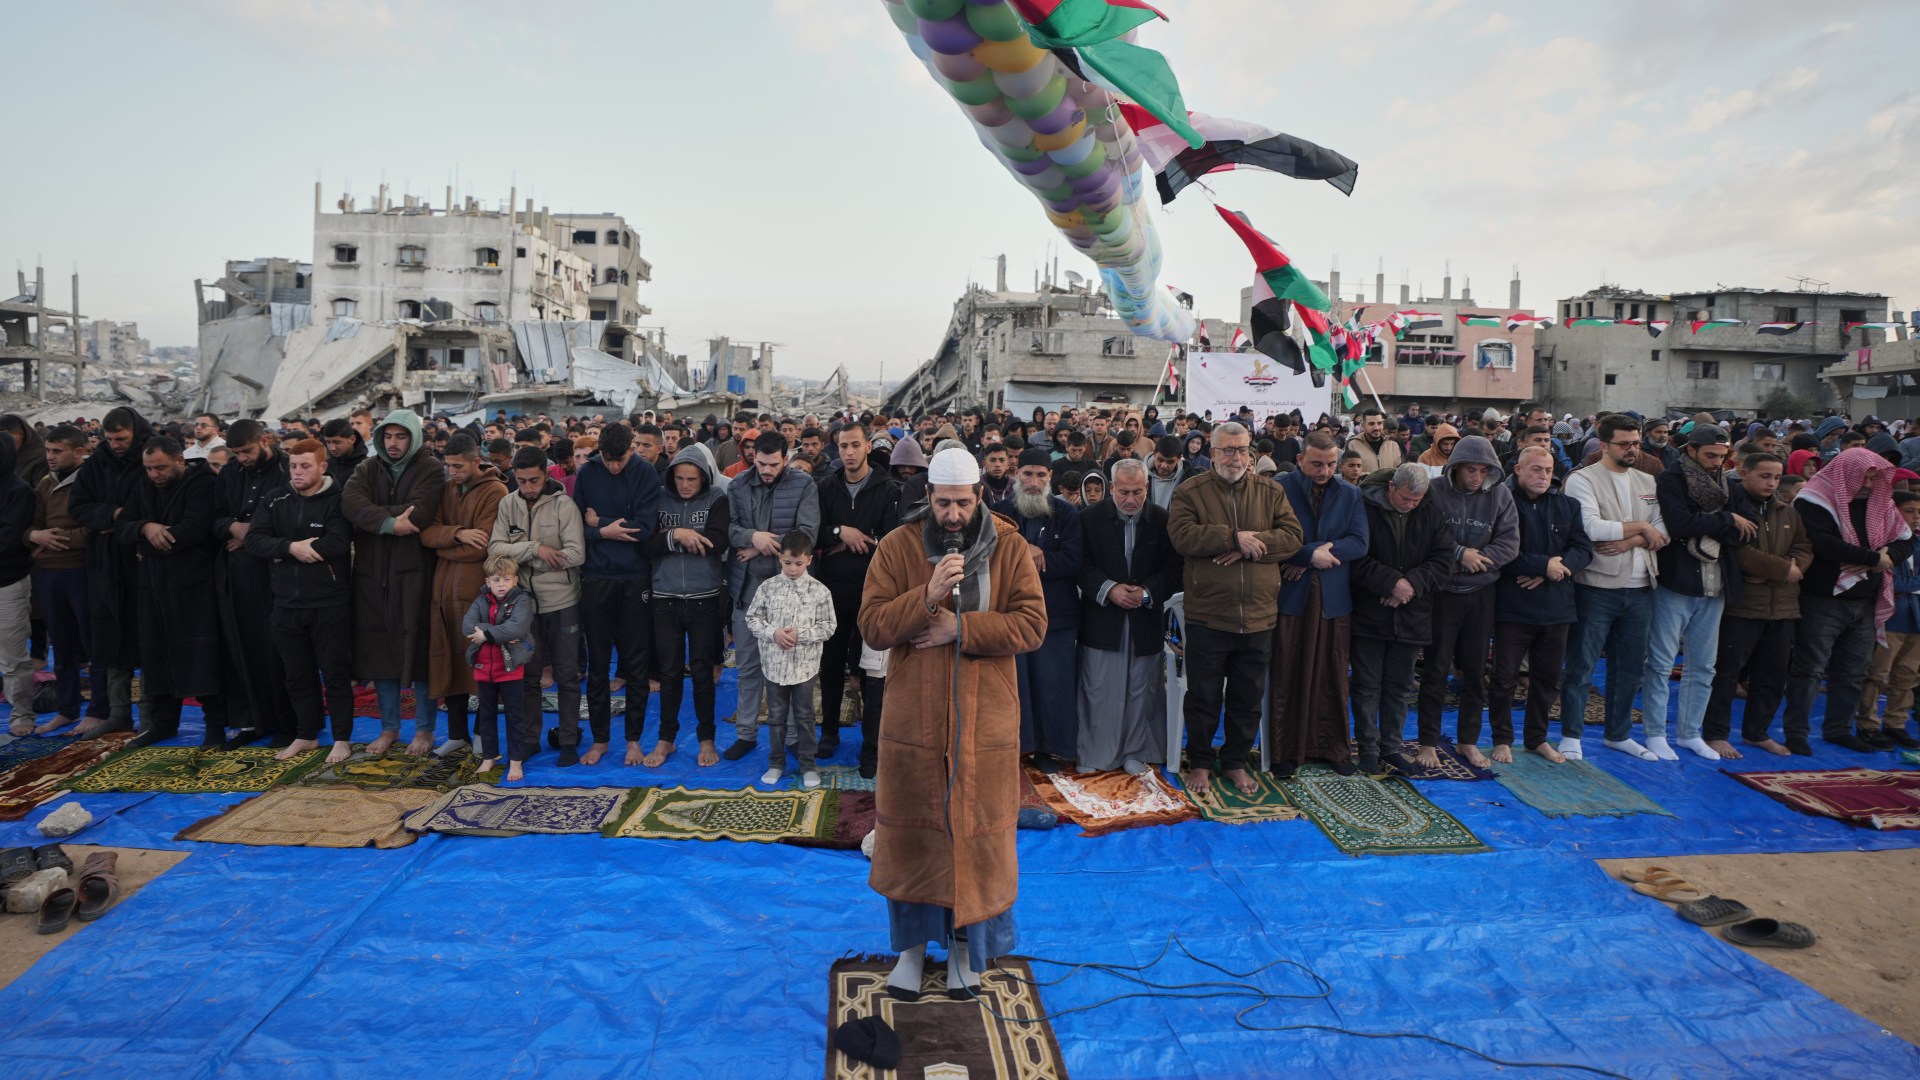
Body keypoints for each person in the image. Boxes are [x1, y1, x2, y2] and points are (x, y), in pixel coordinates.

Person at [858, 447, 1046, 1002]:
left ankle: (967, 950)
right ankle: (912, 952)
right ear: (928, 497)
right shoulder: (897, 546)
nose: (953, 515)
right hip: (913, 722)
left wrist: (960, 628)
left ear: (979, 496)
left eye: (963, 503)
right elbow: (872, 626)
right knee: (913, 836)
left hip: (985, 723)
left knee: (976, 837)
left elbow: (1032, 625)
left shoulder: (1009, 547)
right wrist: (928, 597)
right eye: (943, 504)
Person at [1167, 422, 1303, 798]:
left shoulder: (1270, 491)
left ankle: (1235, 762)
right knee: (1204, 696)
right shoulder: (1190, 491)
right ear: (1212, 454)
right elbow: (1181, 536)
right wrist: (1229, 537)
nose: (1236, 457)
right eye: (1228, 450)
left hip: (1258, 616)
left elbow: (1293, 538)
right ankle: (1199, 761)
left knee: (1247, 697)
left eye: (1242, 450)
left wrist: (1247, 545)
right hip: (1209, 615)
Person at [1782, 447, 1914, 754]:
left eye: (1874, 478)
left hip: (1865, 600)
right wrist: (1873, 559)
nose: (1868, 485)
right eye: (1864, 478)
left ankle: (1839, 729)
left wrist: (1885, 557)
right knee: (1810, 670)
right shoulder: (1814, 500)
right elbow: (1823, 543)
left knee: (1853, 672)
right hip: (1823, 598)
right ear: (1846, 474)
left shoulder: (1879, 502)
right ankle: (1796, 732)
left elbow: (1905, 539)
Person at [1641, 425, 1755, 761]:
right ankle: (1655, 733)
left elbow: (1746, 530)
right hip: (1677, 582)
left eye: (1722, 456)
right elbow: (1679, 524)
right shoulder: (1671, 479)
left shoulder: (1728, 484)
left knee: (1704, 666)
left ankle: (1689, 733)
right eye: (1710, 455)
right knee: (1661, 663)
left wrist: (1719, 522)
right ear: (1691, 450)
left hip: (1715, 585)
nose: (1716, 462)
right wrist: (1727, 518)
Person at [1560, 415, 1670, 760]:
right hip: (1596, 586)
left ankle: (1618, 734)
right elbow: (1591, 527)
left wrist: (1631, 538)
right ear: (1604, 445)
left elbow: (1663, 530)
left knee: (1631, 668)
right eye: (1624, 444)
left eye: (1636, 443)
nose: (1632, 449)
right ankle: (1571, 735)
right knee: (1582, 665)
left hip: (1642, 588)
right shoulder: (1582, 479)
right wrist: (1643, 529)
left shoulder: (1648, 481)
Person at [244, 439, 356, 762]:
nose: (297, 472)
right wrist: (290, 548)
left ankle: (342, 738)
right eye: (293, 466)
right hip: (286, 604)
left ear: (322, 467)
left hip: (328, 602)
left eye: (305, 466)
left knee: (334, 673)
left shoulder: (338, 499)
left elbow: (336, 543)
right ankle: (306, 734)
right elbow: (254, 540)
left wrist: (288, 549)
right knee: (296, 674)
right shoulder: (275, 498)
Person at [341, 409, 445, 755]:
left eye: (400, 436)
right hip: (372, 575)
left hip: (415, 576)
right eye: (388, 436)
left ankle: (425, 730)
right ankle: (389, 728)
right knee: (379, 653)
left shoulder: (429, 467)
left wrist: (374, 515)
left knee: (419, 654)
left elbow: (421, 511)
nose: (393, 443)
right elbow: (351, 503)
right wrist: (389, 522)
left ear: (413, 437)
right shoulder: (367, 468)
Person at [117, 437, 230, 747]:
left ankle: (215, 727)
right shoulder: (144, 486)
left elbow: (193, 530)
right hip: (154, 588)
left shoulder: (203, 483)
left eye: (161, 468)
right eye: (149, 469)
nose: (154, 475)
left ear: (180, 461)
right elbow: (124, 526)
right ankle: (163, 723)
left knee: (202, 658)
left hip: (194, 587)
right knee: (157, 658)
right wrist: (145, 528)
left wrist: (145, 546)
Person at [1269, 432, 1369, 776]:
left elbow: (1359, 543)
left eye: (1330, 464)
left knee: (1332, 675)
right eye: (1316, 464)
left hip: (1333, 599)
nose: (1324, 471)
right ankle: (1284, 752)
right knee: (1287, 674)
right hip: (1291, 597)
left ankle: (1333, 748)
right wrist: (1307, 554)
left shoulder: (1351, 494)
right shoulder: (1279, 489)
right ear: (1300, 460)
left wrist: (1314, 554)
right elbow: (1271, 538)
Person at [1417, 435, 1517, 768]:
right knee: (1435, 669)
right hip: (1441, 592)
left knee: (1474, 672)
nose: (1476, 477)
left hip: (1480, 592)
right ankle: (1428, 742)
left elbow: (1509, 543)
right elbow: (1424, 534)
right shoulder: (1434, 491)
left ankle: (1467, 741)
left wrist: (1478, 560)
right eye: (1470, 470)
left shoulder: (1500, 495)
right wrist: (1460, 555)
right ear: (1456, 468)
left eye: (1483, 470)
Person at [1488, 446, 1592, 764]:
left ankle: (1537, 739)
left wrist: (1551, 571)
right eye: (1535, 469)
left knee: (1546, 680)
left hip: (1556, 607)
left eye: (1548, 470)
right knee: (1504, 678)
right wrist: (1542, 565)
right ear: (1518, 470)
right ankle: (1502, 739)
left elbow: (1583, 549)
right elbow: (1499, 552)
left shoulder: (1567, 505)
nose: (1543, 476)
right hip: (1513, 607)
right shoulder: (1503, 503)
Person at [1075, 459, 1181, 774]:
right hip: (1102, 618)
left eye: (1137, 492)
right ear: (1111, 488)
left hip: (1144, 618)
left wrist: (1146, 593)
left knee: (1141, 688)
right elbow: (1079, 564)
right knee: (1098, 689)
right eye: (1124, 492)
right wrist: (1109, 589)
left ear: (1146, 488)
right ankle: (1094, 754)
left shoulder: (1162, 520)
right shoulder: (1088, 519)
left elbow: (1174, 570)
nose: (1131, 499)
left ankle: (1136, 751)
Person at [1350, 464, 1456, 774]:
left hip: (1412, 613)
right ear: (1391, 487)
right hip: (1369, 612)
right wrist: (1389, 582)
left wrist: (1408, 584)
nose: (1411, 505)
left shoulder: (1430, 511)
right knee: (1367, 685)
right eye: (1406, 498)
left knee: (1399, 687)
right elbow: (1354, 556)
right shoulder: (1363, 507)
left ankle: (1392, 748)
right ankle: (1368, 749)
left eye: (1416, 500)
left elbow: (1443, 560)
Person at [1702, 452, 1808, 759]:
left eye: (1776, 477)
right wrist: (1783, 570)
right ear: (1743, 473)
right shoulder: (1732, 509)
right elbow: (1738, 552)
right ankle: (1716, 733)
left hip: (1783, 607)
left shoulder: (1787, 513)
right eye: (1764, 476)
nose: (1771, 483)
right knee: (1727, 673)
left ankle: (1757, 733)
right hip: (1744, 605)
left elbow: (1804, 547)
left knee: (1772, 675)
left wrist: (1789, 570)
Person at [721, 431, 820, 761]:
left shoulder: (804, 485)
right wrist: (752, 537)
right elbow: (728, 528)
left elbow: (806, 535)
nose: (765, 469)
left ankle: (791, 736)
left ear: (785, 458)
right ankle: (745, 734)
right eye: (760, 463)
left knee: (789, 669)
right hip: (748, 589)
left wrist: (761, 545)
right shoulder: (737, 485)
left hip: (789, 590)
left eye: (773, 464)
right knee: (748, 667)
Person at [575, 421, 664, 767]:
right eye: (608, 459)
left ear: (632, 449)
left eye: (620, 459)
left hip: (634, 577)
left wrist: (600, 523)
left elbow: (644, 528)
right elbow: (576, 526)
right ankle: (599, 740)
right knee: (598, 663)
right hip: (597, 575)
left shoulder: (644, 472)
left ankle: (633, 740)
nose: (613, 466)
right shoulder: (588, 473)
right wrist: (601, 531)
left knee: (636, 662)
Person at [812, 422, 899, 762]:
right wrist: (840, 532)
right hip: (832, 591)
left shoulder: (887, 489)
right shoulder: (826, 488)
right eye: (843, 446)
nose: (849, 452)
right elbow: (815, 533)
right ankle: (829, 731)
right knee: (831, 664)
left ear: (867, 447)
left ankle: (871, 745)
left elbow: (891, 540)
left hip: (872, 592)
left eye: (855, 445)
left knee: (871, 671)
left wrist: (860, 540)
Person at [995, 448, 1083, 772]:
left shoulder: (1066, 514)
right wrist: (1025, 550)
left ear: (1050, 478)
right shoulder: (999, 513)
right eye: (1028, 474)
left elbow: (1075, 561)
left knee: (1052, 685)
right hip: (1012, 614)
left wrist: (1042, 556)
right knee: (1015, 684)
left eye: (1041, 475)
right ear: (1016, 474)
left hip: (1056, 616)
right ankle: (1017, 746)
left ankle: (1049, 749)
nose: (1034, 482)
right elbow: (991, 558)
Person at [493, 446, 585, 750]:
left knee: (567, 675)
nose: (528, 487)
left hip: (562, 601)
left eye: (534, 480)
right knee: (528, 676)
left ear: (545, 475)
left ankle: (568, 740)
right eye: (522, 481)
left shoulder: (564, 506)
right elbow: (495, 550)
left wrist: (522, 557)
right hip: (523, 604)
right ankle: (530, 739)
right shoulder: (508, 504)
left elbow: (575, 554)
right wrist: (537, 550)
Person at [643, 444, 729, 768]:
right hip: (665, 597)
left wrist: (673, 537)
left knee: (703, 671)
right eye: (679, 478)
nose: (685, 485)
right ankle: (666, 738)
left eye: (692, 479)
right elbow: (646, 544)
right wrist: (676, 535)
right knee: (669, 672)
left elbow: (717, 542)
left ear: (704, 477)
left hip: (704, 597)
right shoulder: (658, 499)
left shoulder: (716, 498)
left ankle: (707, 738)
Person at [209, 419, 293, 749]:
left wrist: (252, 535)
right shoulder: (230, 473)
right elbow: (213, 516)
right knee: (242, 649)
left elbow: (293, 518)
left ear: (265, 441)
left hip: (275, 575)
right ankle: (252, 721)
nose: (243, 458)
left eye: (247, 451)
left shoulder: (287, 470)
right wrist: (233, 527)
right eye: (237, 453)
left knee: (278, 651)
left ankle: (288, 723)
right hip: (237, 575)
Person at [68, 407, 151, 739]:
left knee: (147, 636)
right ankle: (119, 712)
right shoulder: (97, 463)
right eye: (111, 439)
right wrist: (113, 514)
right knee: (111, 636)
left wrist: (126, 522)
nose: (116, 445)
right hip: (105, 563)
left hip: (142, 560)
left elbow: (156, 506)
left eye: (122, 438)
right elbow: (78, 507)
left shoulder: (150, 457)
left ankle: (151, 713)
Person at [422, 434, 508, 753]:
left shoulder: (495, 491)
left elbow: (480, 547)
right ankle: (457, 735)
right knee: (450, 664)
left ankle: (483, 735)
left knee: (482, 666)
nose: (452, 472)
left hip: (477, 594)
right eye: (449, 466)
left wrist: (443, 546)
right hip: (443, 594)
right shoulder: (447, 489)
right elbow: (427, 534)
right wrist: (457, 533)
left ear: (476, 461)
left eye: (458, 466)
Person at [746, 531, 836, 788]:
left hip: (805, 667)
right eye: (787, 563)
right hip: (774, 666)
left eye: (798, 563)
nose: (793, 569)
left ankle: (808, 765)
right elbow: (752, 618)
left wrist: (801, 635)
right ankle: (776, 763)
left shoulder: (820, 591)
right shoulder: (767, 587)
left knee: (805, 716)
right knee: (776, 716)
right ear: (780, 559)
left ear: (809, 560)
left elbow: (829, 626)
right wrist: (773, 633)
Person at [25, 426, 97, 735]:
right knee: (63, 647)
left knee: (93, 646)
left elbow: (96, 527)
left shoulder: (93, 480)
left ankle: (99, 711)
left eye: (57, 451)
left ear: (79, 452)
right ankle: (67, 710)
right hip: (49, 574)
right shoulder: (45, 483)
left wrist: (60, 539)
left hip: (82, 572)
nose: (50, 457)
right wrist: (35, 536)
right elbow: (31, 525)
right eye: (48, 450)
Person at [464, 554, 537, 779]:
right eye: (496, 580)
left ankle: (515, 761)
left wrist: (485, 634)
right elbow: (467, 626)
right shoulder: (480, 601)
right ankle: (489, 757)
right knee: (486, 715)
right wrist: (498, 633)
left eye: (506, 579)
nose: (501, 584)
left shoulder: (522, 600)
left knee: (515, 716)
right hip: (484, 668)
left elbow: (517, 627)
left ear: (515, 580)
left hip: (510, 669)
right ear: (488, 582)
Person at [1859, 491, 1920, 750]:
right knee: (1877, 674)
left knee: (1908, 676)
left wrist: (1910, 585)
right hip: (1890, 619)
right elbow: (1887, 582)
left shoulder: (1918, 543)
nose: (1916, 517)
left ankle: (1896, 724)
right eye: (1910, 511)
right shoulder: (1881, 543)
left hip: (1916, 620)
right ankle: (1868, 724)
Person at [0, 429, 34, 736]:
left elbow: (9, 540)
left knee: (13, 657)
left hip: (7, 582)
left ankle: (22, 714)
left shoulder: (18, 491)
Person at [1346, 407, 1403, 473]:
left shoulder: (1393, 445)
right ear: (1363, 426)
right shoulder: (1353, 445)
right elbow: (1349, 473)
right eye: (1371, 424)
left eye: (1379, 423)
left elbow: (1398, 473)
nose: (1376, 428)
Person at [1147, 435, 1197, 510]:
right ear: (1154, 453)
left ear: (1179, 458)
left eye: (1170, 462)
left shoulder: (1189, 478)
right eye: (1160, 460)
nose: (1164, 466)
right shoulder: (1141, 474)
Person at [321, 417, 368, 486]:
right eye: (328, 442)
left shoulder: (368, 467)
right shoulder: (326, 466)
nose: (332, 448)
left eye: (337, 443)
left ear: (352, 439)